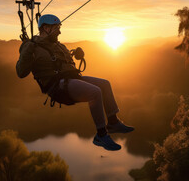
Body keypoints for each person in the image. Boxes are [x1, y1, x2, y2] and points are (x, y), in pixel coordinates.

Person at [16, 14, 134, 151]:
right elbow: (21, 72)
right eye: (56, 28)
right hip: (57, 87)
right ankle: (101, 135)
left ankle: (113, 122)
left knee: (104, 84)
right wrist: (27, 50)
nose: (59, 31)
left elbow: (64, 60)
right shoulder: (32, 47)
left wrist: (77, 54)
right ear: (46, 28)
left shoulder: (57, 46)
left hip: (70, 79)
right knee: (94, 92)